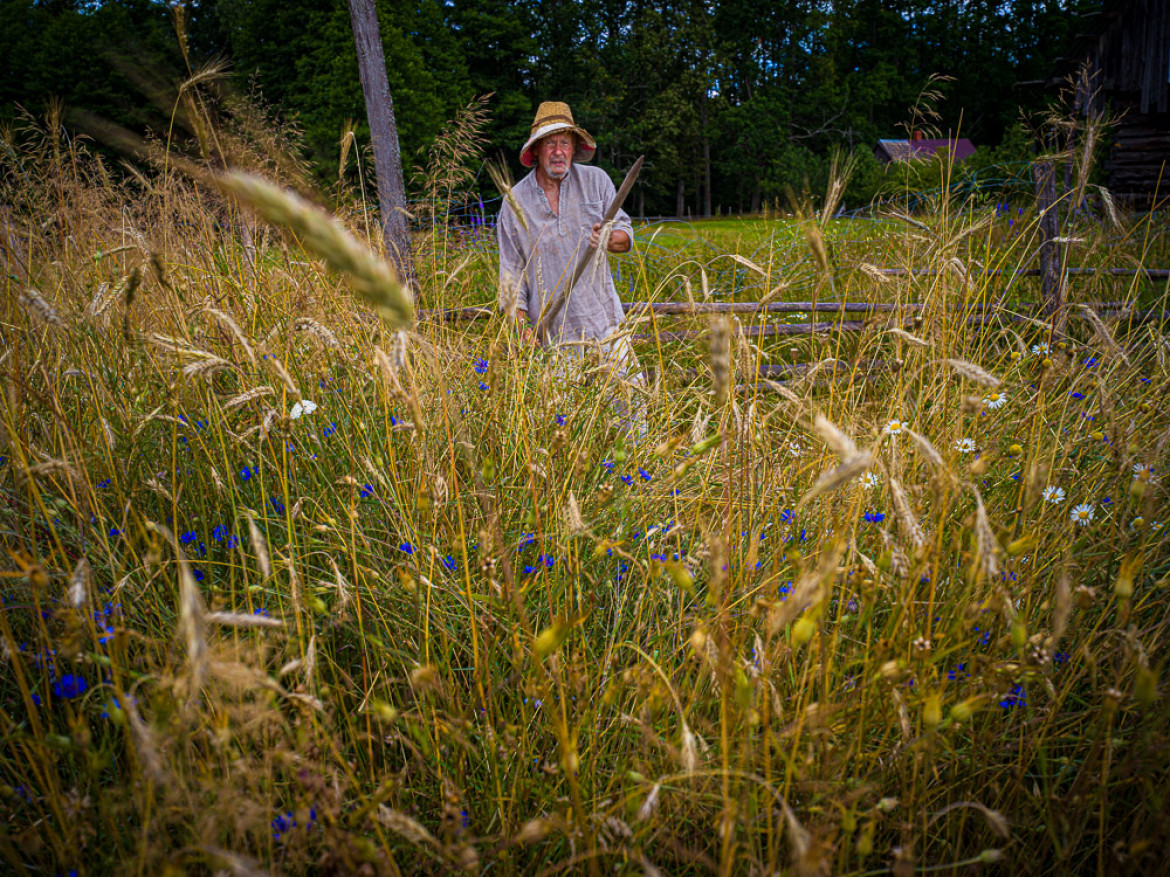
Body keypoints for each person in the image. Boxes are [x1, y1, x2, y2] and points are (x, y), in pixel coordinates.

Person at [496, 101, 634, 350]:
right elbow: (511, 274)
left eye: (564, 143)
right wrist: (521, 329)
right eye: (550, 143)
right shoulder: (514, 202)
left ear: (574, 148)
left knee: (628, 390)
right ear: (536, 148)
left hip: (607, 328)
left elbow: (625, 236)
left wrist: (610, 239)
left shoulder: (597, 181)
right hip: (553, 338)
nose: (558, 151)